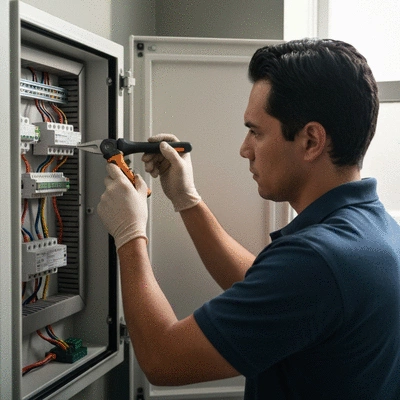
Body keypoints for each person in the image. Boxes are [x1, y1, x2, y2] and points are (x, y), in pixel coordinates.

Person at [97, 39, 400, 399]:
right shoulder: (374, 231)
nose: (245, 149)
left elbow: (163, 358)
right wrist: (186, 199)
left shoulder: (318, 260)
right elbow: (272, 291)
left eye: (256, 131)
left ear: (311, 141)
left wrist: (130, 236)